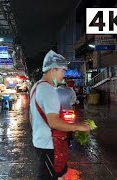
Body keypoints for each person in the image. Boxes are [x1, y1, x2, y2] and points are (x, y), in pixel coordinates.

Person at [30, 50, 90, 180]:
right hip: (49, 145)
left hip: (39, 141)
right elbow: (54, 122)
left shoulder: (36, 87)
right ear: (53, 69)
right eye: (62, 71)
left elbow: (31, 116)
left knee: (58, 174)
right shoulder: (48, 90)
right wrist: (79, 126)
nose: (64, 75)